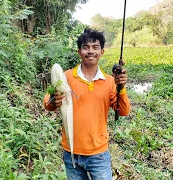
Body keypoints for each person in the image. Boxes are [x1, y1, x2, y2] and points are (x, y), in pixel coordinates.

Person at [43, 28, 131, 180]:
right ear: (79, 52)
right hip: (71, 153)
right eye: (86, 47)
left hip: (99, 154)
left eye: (95, 47)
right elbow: (48, 104)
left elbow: (123, 111)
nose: (91, 51)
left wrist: (121, 88)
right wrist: (53, 99)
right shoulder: (67, 77)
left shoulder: (110, 81)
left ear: (102, 52)